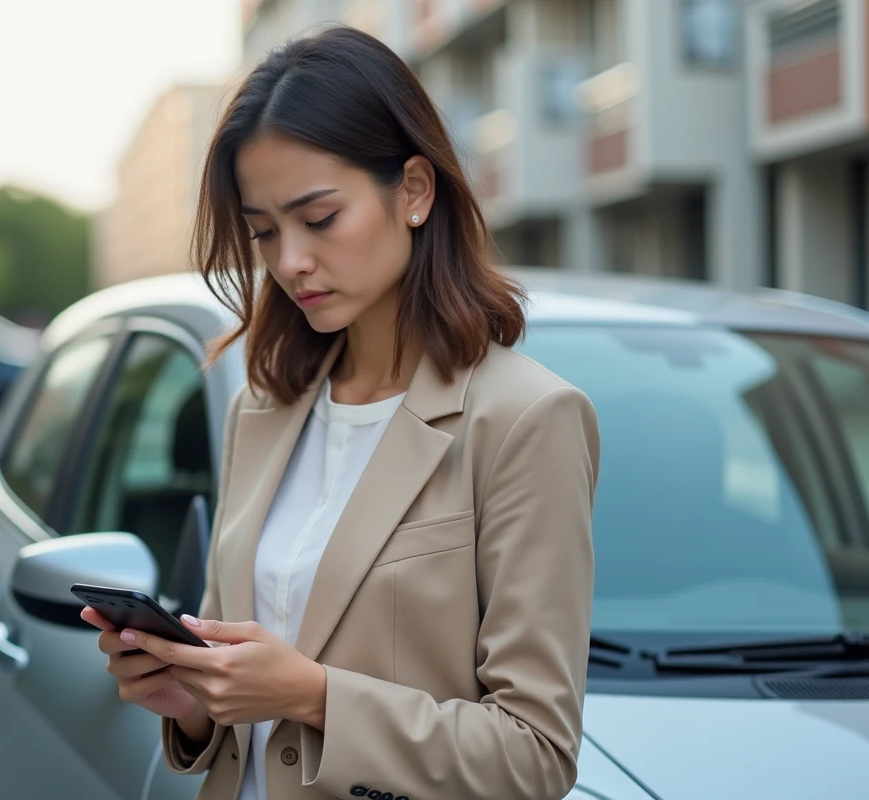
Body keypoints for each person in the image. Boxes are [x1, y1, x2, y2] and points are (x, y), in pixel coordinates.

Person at [83, 25, 600, 800]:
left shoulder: (526, 420)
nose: (289, 261)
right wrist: (190, 701)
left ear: (415, 191)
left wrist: (315, 696)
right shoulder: (262, 410)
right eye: (264, 232)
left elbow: (535, 755)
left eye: (319, 218)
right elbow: (243, 717)